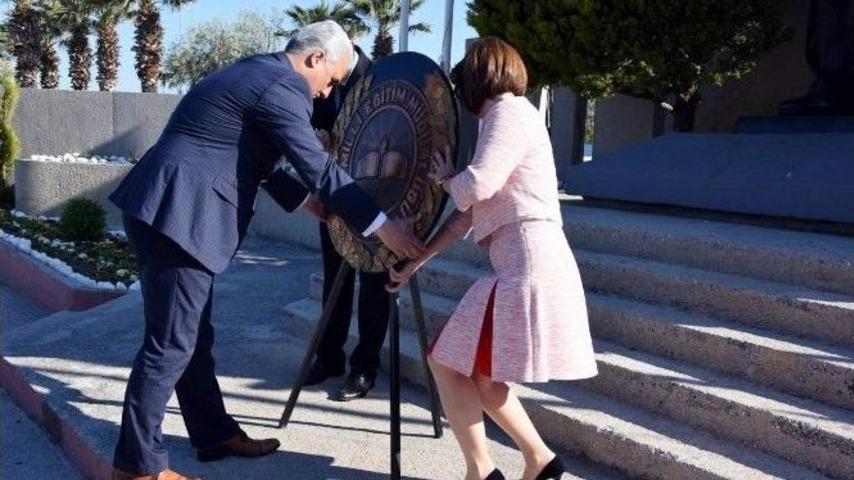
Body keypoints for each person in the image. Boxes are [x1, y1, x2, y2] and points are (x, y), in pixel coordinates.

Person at [108, 21, 425, 480]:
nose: (325, 94)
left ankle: (213, 432)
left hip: (167, 208)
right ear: (315, 58)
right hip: (178, 215)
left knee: (191, 337)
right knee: (170, 344)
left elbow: (254, 156)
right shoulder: (285, 86)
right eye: (331, 80)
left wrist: (303, 202)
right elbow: (319, 167)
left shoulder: (257, 71)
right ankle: (137, 468)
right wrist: (383, 227)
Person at [389, 37, 598, 480]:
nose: (460, 95)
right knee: (478, 373)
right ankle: (538, 461)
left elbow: (475, 187)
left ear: (479, 78)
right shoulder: (509, 117)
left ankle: (482, 472)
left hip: (526, 261)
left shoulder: (508, 112)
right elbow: (465, 215)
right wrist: (417, 260)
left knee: (447, 360)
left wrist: (447, 178)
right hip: (525, 259)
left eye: (462, 82)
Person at [303, 45, 390, 402]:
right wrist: (318, 139)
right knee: (333, 282)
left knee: (373, 285)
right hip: (335, 198)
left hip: (375, 199)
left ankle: (365, 368)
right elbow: (313, 129)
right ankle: (329, 357)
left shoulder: (381, 77)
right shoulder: (324, 83)